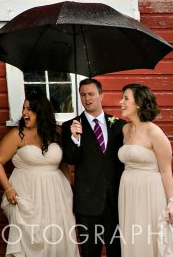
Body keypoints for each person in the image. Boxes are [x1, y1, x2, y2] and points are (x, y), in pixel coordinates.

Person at [0, 93, 77, 257]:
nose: (24, 113)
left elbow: (63, 164)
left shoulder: (56, 133)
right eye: (23, 108)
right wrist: (8, 189)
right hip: (27, 196)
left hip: (57, 196)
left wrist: (69, 193)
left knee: (57, 238)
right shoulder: (17, 135)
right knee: (30, 242)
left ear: (41, 111)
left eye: (29, 109)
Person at [117, 84, 173, 257]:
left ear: (138, 103)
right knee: (133, 236)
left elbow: (166, 171)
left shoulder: (154, 132)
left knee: (150, 236)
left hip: (150, 192)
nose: (120, 102)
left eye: (125, 98)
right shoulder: (125, 129)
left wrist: (171, 203)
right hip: (128, 192)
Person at [61, 78, 124, 257]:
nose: (87, 99)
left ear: (101, 96)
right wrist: (75, 138)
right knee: (90, 253)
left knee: (118, 251)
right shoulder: (70, 126)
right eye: (83, 95)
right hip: (87, 203)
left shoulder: (119, 125)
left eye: (91, 94)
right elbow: (70, 159)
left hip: (115, 201)